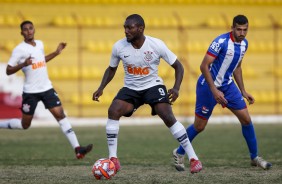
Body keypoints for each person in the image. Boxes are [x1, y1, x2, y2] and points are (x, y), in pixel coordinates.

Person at [92, 14, 202, 174]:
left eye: (129, 28)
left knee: (167, 115)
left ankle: (193, 159)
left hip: (152, 86)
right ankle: (113, 159)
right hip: (131, 88)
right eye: (124, 28)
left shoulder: (156, 44)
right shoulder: (119, 46)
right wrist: (101, 87)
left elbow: (179, 66)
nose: (126, 31)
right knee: (113, 110)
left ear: (141, 28)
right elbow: (111, 69)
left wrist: (176, 88)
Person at [173, 15, 272, 171]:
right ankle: (179, 153)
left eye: (245, 30)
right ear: (232, 28)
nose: (242, 33)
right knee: (199, 126)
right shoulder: (221, 42)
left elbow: (237, 68)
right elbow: (203, 66)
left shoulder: (244, 44)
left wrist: (243, 91)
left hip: (228, 86)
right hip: (208, 86)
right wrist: (214, 90)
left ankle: (254, 158)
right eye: (238, 29)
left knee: (246, 120)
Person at [0, 20, 93, 159]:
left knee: (60, 115)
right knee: (25, 125)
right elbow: (8, 70)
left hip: (46, 88)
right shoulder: (19, 50)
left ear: (34, 30)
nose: (28, 31)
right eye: (25, 29)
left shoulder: (40, 44)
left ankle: (78, 149)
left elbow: (41, 61)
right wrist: (23, 64)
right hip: (30, 92)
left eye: (30, 28)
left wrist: (56, 53)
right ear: (21, 33)